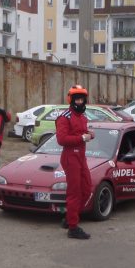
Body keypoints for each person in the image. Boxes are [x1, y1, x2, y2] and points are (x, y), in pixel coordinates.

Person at [55, 85, 94, 240]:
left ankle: (69, 217)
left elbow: (82, 134)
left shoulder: (83, 117)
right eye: (77, 98)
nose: (79, 101)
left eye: (82, 98)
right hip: (70, 157)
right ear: (71, 100)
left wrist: (89, 134)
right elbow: (61, 139)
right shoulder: (64, 117)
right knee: (74, 193)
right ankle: (73, 227)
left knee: (86, 190)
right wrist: (82, 138)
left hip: (81, 157)